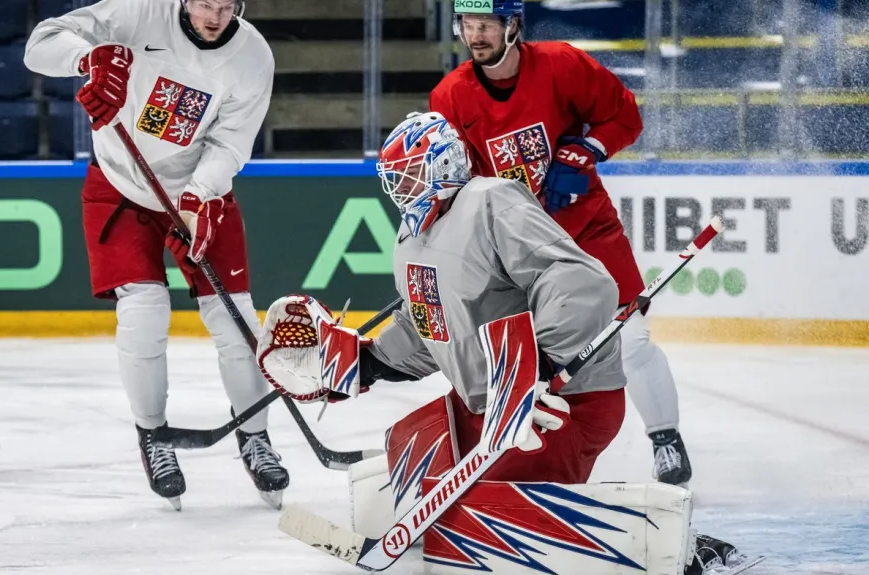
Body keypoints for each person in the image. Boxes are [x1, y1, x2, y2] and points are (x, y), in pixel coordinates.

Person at [258, 112, 755, 575]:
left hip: (560, 402)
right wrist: (367, 364)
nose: (400, 188)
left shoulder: (491, 200)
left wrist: (539, 363)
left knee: (491, 520)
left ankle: (681, 551)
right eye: (395, 178)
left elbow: (580, 282)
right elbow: (428, 325)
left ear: (444, 165)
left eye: (409, 174)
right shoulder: (410, 242)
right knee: (413, 460)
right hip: (489, 403)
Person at [23, 0, 289, 511]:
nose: (214, 17)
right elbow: (40, 45)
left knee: (234, 317)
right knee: (144, 312)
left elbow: (231, 142)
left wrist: (198, 196)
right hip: (119, 183)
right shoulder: (137, 14)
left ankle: (256, 436)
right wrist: (89, 58)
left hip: (198, 192)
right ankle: (153, 435)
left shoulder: (253, 54)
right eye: (205, 3)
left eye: (226, 7)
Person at [428, 0, 692, 486]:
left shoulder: (561, 65)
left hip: (586, 233)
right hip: (518, 251)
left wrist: (588, 149)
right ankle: (523, 462)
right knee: (522, 359)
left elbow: (624, 117)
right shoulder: (450, 95)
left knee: (629, 340)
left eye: (487, 24)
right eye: (468, 24)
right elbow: (453, 179)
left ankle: (665, 437)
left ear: (513, 25)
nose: (476, 35)